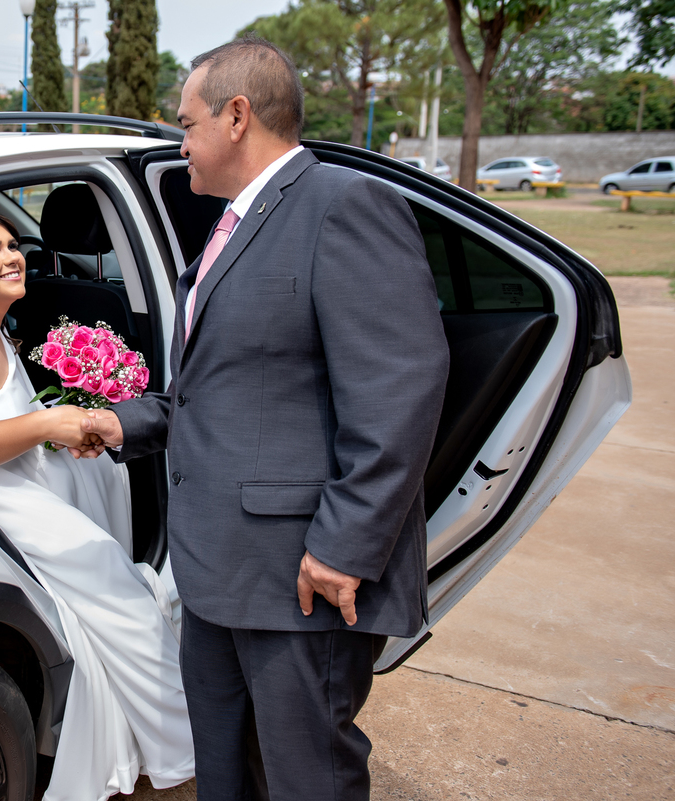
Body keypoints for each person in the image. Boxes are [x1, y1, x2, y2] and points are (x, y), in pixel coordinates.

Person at [80, 37, 450, 801]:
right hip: (217, 572)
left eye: (187, 124)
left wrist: (344, 546)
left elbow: (399, 391)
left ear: (237, 116)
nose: (180, 143)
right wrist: (124, 424)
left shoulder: (343, 207)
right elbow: (226, 386)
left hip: (300, 576)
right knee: (226, 770)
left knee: (305, 777)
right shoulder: (232, 223)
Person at [0, 204, 195, 801]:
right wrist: (47, 424)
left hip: (12, 482)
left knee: (111, 536)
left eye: (14, 244)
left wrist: (67, 426)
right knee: (121, 594)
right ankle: (188, 744)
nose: (14, 257)